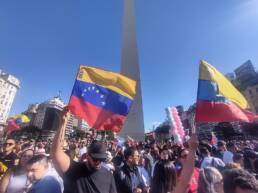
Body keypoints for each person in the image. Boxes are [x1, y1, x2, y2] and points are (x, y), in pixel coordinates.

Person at [51, 108, 117, 193]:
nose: (98, 162)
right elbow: (56, 153)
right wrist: (63, 124)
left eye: (102, 159)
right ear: (87, 156)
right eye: (95, 159)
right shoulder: (73, 169)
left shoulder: (108, 175)